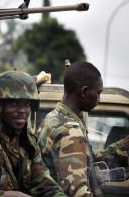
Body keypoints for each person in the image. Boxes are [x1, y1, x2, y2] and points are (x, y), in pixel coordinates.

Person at [37, 61, 129, 196]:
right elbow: (79, 192)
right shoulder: (69, 130)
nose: (99, 98)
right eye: (98, 93)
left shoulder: (54, 118)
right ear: (84, 91)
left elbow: (87, 159)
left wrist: (124, 145)